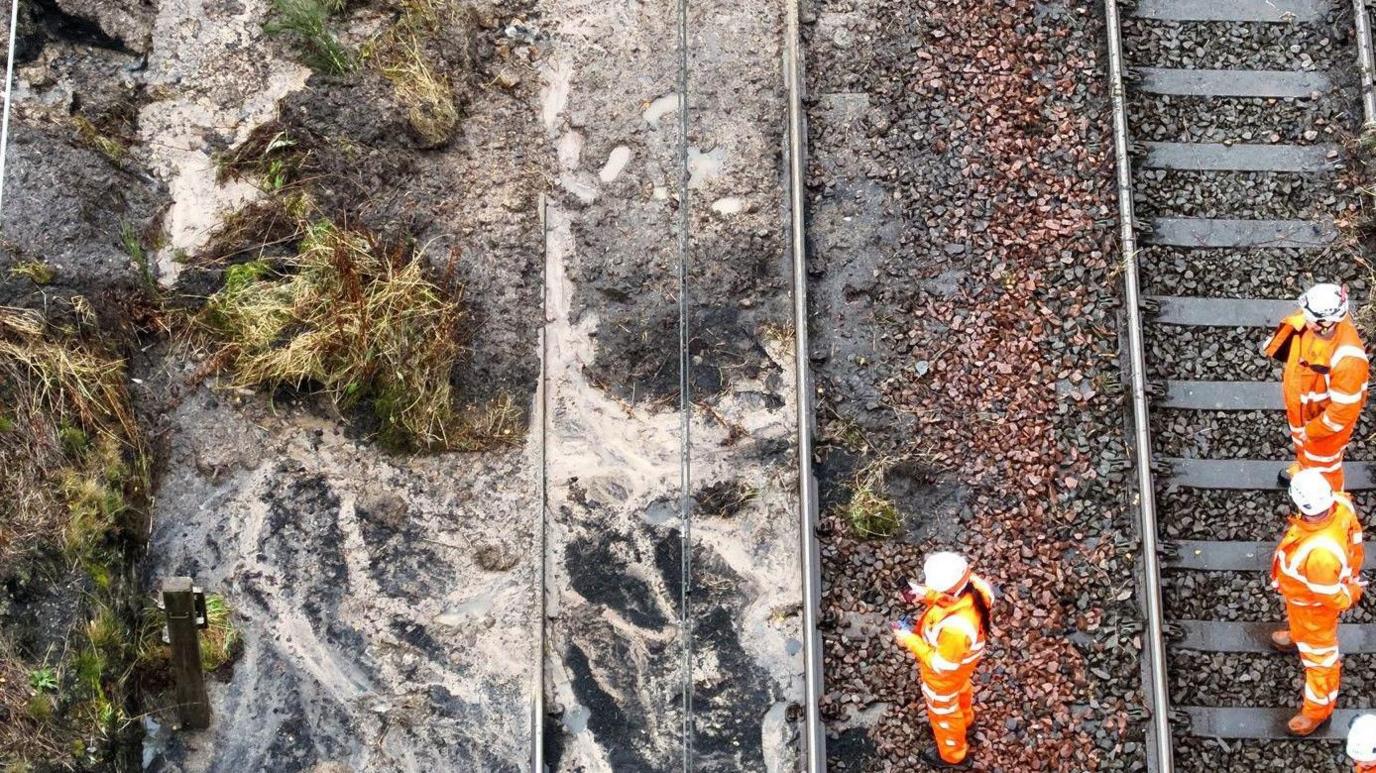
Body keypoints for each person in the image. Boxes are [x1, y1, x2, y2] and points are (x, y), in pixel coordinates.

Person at [1270, 469, 1365, 735]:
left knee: (1321, 663)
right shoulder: (1341, 503)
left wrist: (1351, 591)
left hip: (1314, 610)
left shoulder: (1320, 555)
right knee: (1301, 626)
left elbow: (1333, 597)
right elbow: (1355, 542)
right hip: (1302, 602)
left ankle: (1317, 712)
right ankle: (1296, 635)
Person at [891, 551, 994, 768]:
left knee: (943, 712)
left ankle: (953, 755)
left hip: (943, 678)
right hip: (962, 668)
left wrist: (909, 640)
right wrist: (925, 595)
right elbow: (951, 598)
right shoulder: (975, 587)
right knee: (961, 689)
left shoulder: (956, 629)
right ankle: (966, 721)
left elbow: (941, 665)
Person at [1264, 283, 1369, 491]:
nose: (1305, 319)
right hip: (1304, 414)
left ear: (1328, 321)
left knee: (1325, 468)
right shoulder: (1317, 323)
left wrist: (1313, 430)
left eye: (1311, 318)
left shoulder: (1348, 360)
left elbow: (1343, 412)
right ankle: (1305, 470)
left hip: (1322, 428)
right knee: (1304, 451)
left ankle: (1327, 507)